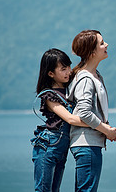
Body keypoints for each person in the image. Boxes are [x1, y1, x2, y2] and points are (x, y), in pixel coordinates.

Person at [67, 30, 116, 192]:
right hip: (86, 144)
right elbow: (84, 112)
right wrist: (106, 130)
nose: (106, 45)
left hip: (90, 144)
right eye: (102, 43)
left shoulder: (95, 75)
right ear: (91, 52)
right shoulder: (85, 79)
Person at [31, 48, 90, 192]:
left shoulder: (70, 91)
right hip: (47, 146)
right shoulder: (49, 95)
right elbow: (70, 119)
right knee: (43, 190)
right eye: (63, 69)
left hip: (61, 150)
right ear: (51, 74)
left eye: (69, 66)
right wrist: (98, 125)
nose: (68, 71)